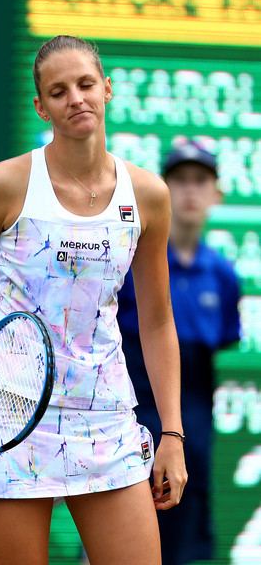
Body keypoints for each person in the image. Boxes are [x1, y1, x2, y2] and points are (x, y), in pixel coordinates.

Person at [0, 35, 187, 565]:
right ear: (41, 106)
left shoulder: (148, 194)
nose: (75, 98)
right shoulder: (3, 185)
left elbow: (156, 321)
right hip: (4, 418)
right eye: (58, 92)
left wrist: (170, 432)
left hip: (105, 417)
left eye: (85, 85)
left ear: (107, 90)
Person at [117, 140, 241, 565]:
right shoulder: (132, 260)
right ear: (163, 188)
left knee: (184, 551)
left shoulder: (224, 276)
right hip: (126, 437)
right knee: (113, 548)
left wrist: (183, 439)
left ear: (217, 192)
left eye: (201, 181)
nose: (191, 191)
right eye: (180, 180)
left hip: (190, 443)